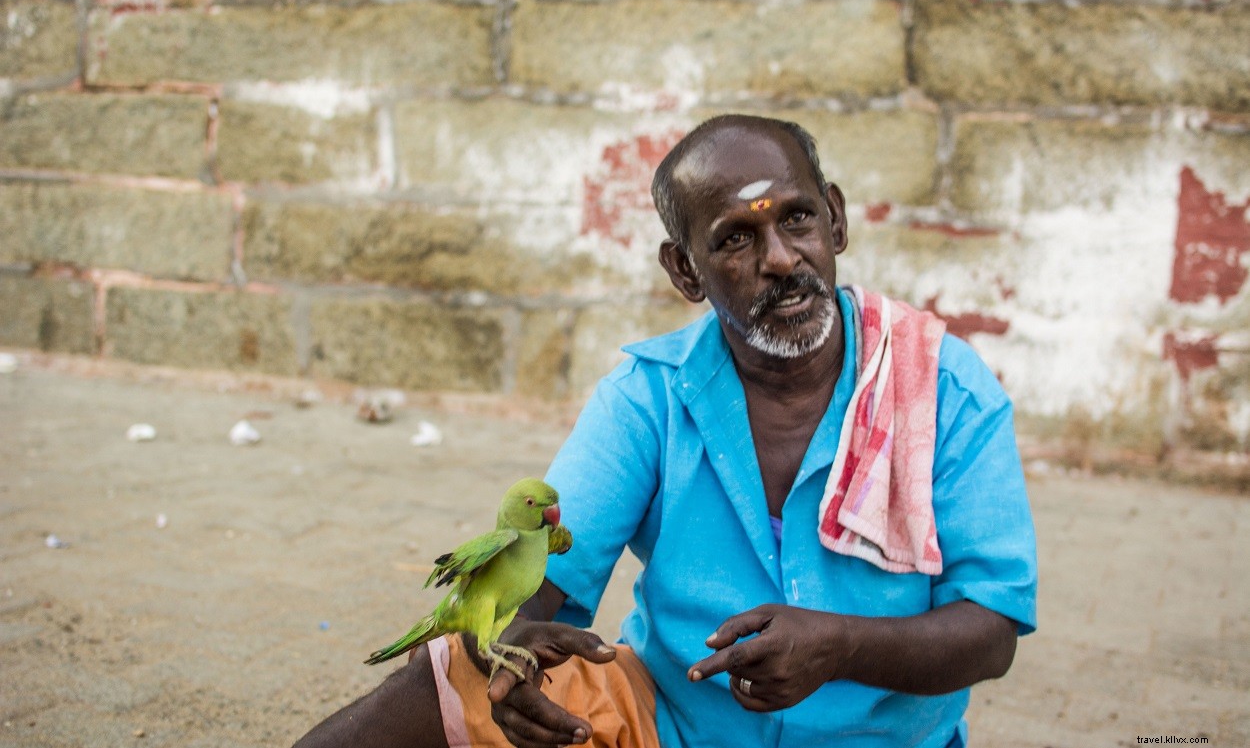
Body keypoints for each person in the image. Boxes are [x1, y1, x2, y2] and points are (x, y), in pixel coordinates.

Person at [293, 114, 1037, 748]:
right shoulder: (647, 397)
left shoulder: (945, 391)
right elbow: (540, 580)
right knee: (455, 672)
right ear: (686, 271)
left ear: (835, 219)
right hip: (672, 728)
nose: (781, 259)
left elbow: (991, 631)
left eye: (797, 219)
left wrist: (839, 646)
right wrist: (511, 652)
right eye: (736, 240)